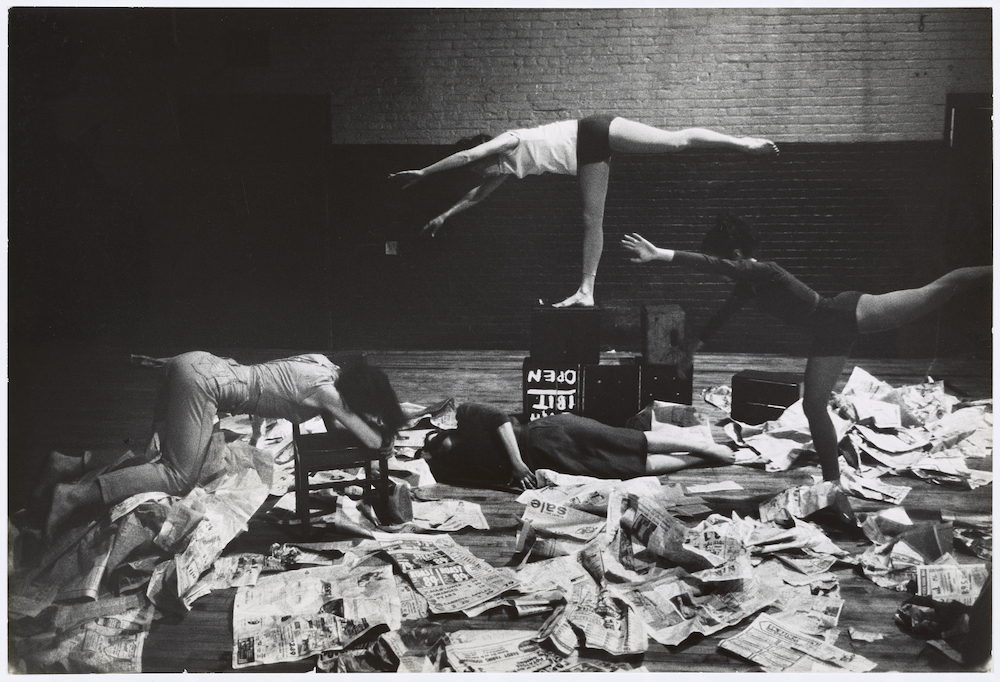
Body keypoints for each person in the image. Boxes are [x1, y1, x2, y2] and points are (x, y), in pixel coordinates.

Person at [622, 214, 993, 482]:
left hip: (851, 312)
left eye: (728, 261)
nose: (726, 268)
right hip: (831, 332)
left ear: (737, 255)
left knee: (940, 290)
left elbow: (714, 265)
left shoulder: (766, 271)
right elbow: (724, 315)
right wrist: (692, 350)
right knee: (814, 405)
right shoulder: (749, 283)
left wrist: (662, 254)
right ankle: (833, 481)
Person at [390, 115, 779, 308]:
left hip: (592, 132)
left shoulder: (506, 145)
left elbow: (470, 156)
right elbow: (477, 195)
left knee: (675, 143)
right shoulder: (504, 171)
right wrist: (445, 215)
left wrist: (425, 171)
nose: (484, 172)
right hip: (585, 158)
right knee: (591, 220)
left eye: (482, 167)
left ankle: (742, 144)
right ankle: (586, 291)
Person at [45, 351, 406, 536]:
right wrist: (383, 437)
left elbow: (338, 420)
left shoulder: (321, 363)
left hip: (195, 363)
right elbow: (372, 440)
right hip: (202, 386)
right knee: (177, 476)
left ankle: (71, 463)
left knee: (171, 458)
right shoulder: (328, 393)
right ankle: (73, 496)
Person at [417, 402, 735, 490]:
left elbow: (499, 417)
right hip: (548, 464)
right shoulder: (438, 466)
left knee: (627, 441)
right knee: (624, 469)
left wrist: (515, 463)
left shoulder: (461, 413)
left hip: (547, 435)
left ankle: (704, 448)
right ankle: (699, 462)